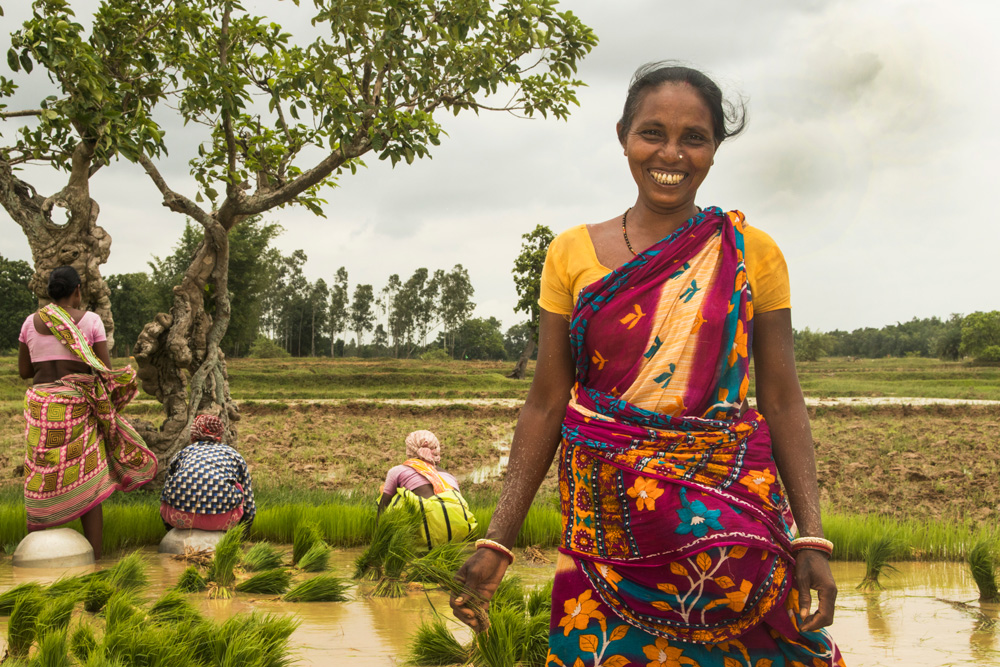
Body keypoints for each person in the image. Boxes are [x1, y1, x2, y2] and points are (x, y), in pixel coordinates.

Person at [450, 63, 845, 666]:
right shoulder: (570, 254)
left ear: (715, 149)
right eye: (652, 133)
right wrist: (497, 539)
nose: (671, 153)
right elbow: (546, 402)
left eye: (694, 137)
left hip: (732, 526)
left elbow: (783, 398)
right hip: (604, 527)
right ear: (622, 136)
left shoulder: (752, 253)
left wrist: (810, 536)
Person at [18, 266, 158, 560]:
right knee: (88, 477)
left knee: (40, 474)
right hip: (77, 409)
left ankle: (34, 555)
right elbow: (103, 370)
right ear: (78, 290)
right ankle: (95, 558)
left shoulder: (30, 323)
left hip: (43, 409)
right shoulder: (91, 320)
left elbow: (24, 371)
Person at [378, 430, 477, 548]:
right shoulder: (449, 475)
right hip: (459, 526)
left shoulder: (398, 470)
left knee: (397, 495)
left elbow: (384, 505)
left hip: (427, 528)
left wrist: (379, 538)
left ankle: (398, 545)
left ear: (409, 450)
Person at [160, 414, 257, 532]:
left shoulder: (183, 454)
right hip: (222, 520)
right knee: (238, 487)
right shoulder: (233, 455)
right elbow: (249, 506)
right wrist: (242, 533)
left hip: (178, 518)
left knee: (170, 487)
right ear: (220, 433)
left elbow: (166, 491)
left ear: (194, 434)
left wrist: (168, 528)